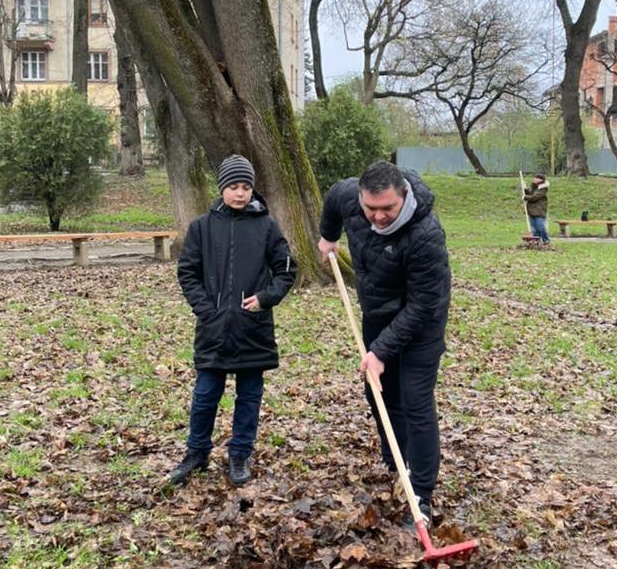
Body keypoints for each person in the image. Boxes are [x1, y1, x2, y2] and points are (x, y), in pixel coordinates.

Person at [318, 160, 451, 527]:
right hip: (378, 313)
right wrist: (328, 236)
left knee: (414, 400)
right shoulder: (349, 196)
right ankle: (397, 462)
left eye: (387, 209)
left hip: (421, 323)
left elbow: (424, 304)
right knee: (378, 393)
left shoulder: (426, 234)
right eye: (370, 208)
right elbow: (332, 200)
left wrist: (380, 351)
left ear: (404, 196)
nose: (377, 216)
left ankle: (420, 494)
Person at [169, 154, 297, 487]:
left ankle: (240, 453)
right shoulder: (201, 227)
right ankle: (196, 452)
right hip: (214, 330)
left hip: (253, 330)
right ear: (222, 188)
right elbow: (187, 273)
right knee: (205, 395)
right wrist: (206, 309)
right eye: (234, 187)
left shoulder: (268, 227)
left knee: (249, 396)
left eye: (246, 187)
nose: (240, 194)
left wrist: (266, 298)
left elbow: (286, 270)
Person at [524, 172, 550, 245]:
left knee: (541, 228)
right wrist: (525, 189)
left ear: (540, 180)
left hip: (539, 212)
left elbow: (534, 197)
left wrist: (525, 197)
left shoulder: (543, 189)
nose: (534, 179)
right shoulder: (534, 187)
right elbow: (531, 194)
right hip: (531, 211)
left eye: (536, 178)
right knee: (534, 229)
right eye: (534, 177)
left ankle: (546, 241)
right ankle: (536, 242)